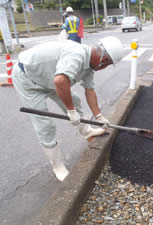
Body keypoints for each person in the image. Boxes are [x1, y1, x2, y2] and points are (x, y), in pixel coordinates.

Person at [12, 37, 125, 181]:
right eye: (107, 64)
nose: (105, 67)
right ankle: (57, 165)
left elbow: (90, 90)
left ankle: (86, 131)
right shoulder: (77, 54)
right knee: (45, 124)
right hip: (28, 79)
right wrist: (71, 111)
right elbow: (60, 81)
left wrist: (99, 116)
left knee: (75, 100)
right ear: (103, 58)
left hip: (50, 79)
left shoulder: (90, 66)